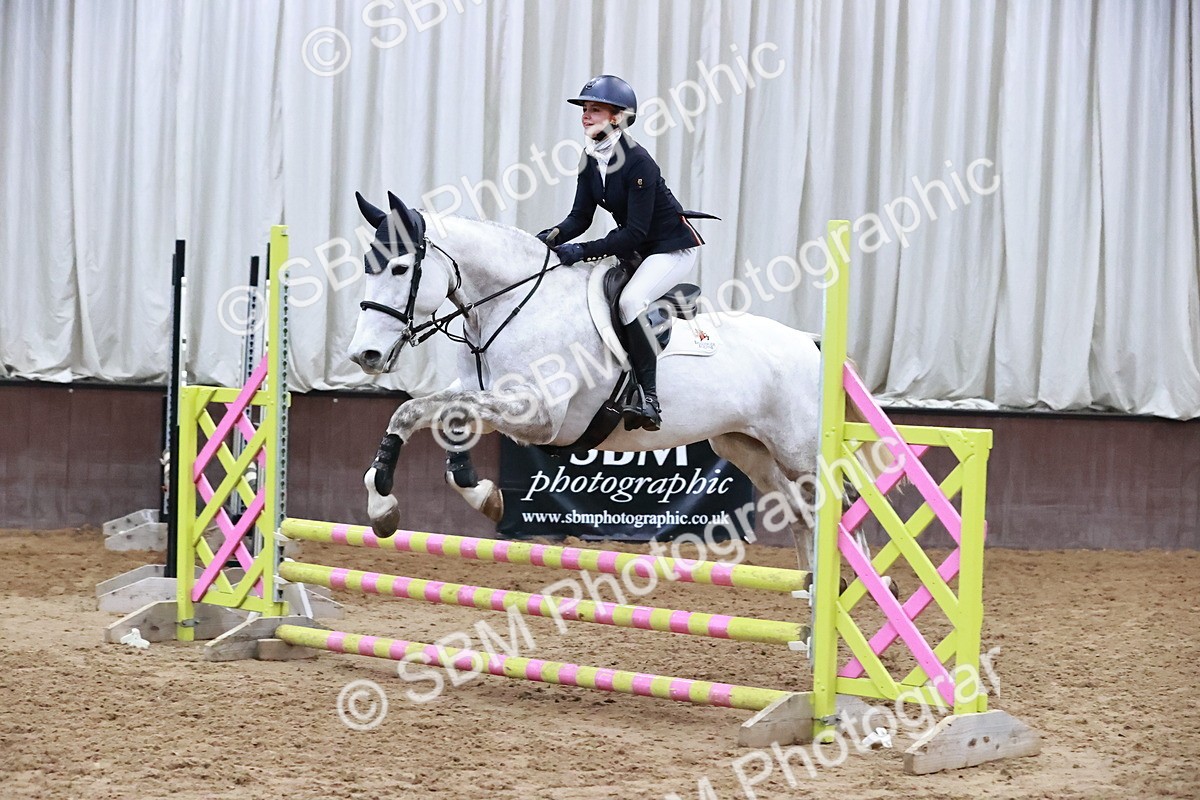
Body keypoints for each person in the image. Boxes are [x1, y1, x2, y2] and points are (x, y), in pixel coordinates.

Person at [537, 75, 708, 432]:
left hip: (669, 249)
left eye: (594, 109)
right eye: (584, 110)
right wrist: (548, 239)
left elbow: (636, 233)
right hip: (636, 251)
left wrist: (582, 251)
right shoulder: (589, 159)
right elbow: (580, 218)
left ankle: (649, 398)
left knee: (630, 302)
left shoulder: (638, 162)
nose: (585, 116)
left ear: (617, 117)